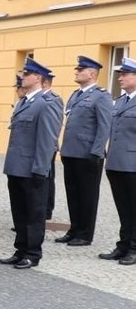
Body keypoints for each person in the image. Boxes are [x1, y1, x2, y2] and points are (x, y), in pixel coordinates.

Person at [0, 58, 63, 269]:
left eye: (26, 74)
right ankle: (20, 249)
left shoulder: (48, 102)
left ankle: (33, 252)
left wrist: (40, 169)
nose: (22, 77)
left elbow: (47, 139)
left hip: (32, 169)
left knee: (34, 213)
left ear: (38, 78)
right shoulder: (24, 101)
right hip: (17, 167)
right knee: (19, 211)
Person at [56, 56, 113, 247]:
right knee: (73, 193)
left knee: (87, 195)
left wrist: (96, 152)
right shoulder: (75, 95)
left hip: (88, 154)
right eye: (77, 69)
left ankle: (85, 234)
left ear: (92, 73)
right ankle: (74, 229)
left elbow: (104, 127)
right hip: (71, 152)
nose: (77, 72)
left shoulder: (102, 96)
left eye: (81, 70)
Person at [99, 56, 136, 265]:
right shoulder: (120, 101)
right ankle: (123, 245)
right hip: (116, 163)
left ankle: (134, 248)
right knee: (123, 208)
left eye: (125, 74)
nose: (120, 77)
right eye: (120, 74)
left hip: (133, 165)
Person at [41, 74, 64, 220]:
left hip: (48, 145)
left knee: (47, 178)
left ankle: (47, 209)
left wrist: (51, 144)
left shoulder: (53, 99)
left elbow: (55, 124)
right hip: (39, 145)